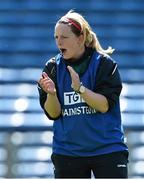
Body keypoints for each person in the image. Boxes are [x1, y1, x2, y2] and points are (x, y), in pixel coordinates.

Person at [37, 10, 129, 178]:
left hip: (108, 150)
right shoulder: (52, 68)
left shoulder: (104, 64)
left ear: (80, 38)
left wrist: (80, 89)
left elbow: (104, 106)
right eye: (56, 37)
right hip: (68, 152)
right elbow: (53, 113)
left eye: (64, 37)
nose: (59, 42)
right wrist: (51, 94)